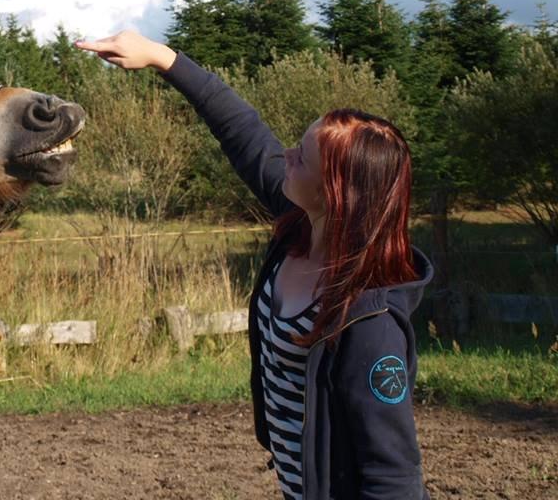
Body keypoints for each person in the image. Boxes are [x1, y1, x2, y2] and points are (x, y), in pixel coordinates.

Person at [75, 31, 431, 500]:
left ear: (336, 193)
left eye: (300, 157)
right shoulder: (298, 228)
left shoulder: (370, 321)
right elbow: (243, 130)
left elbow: (393, 478)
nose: (284, 156)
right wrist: (163, 59)